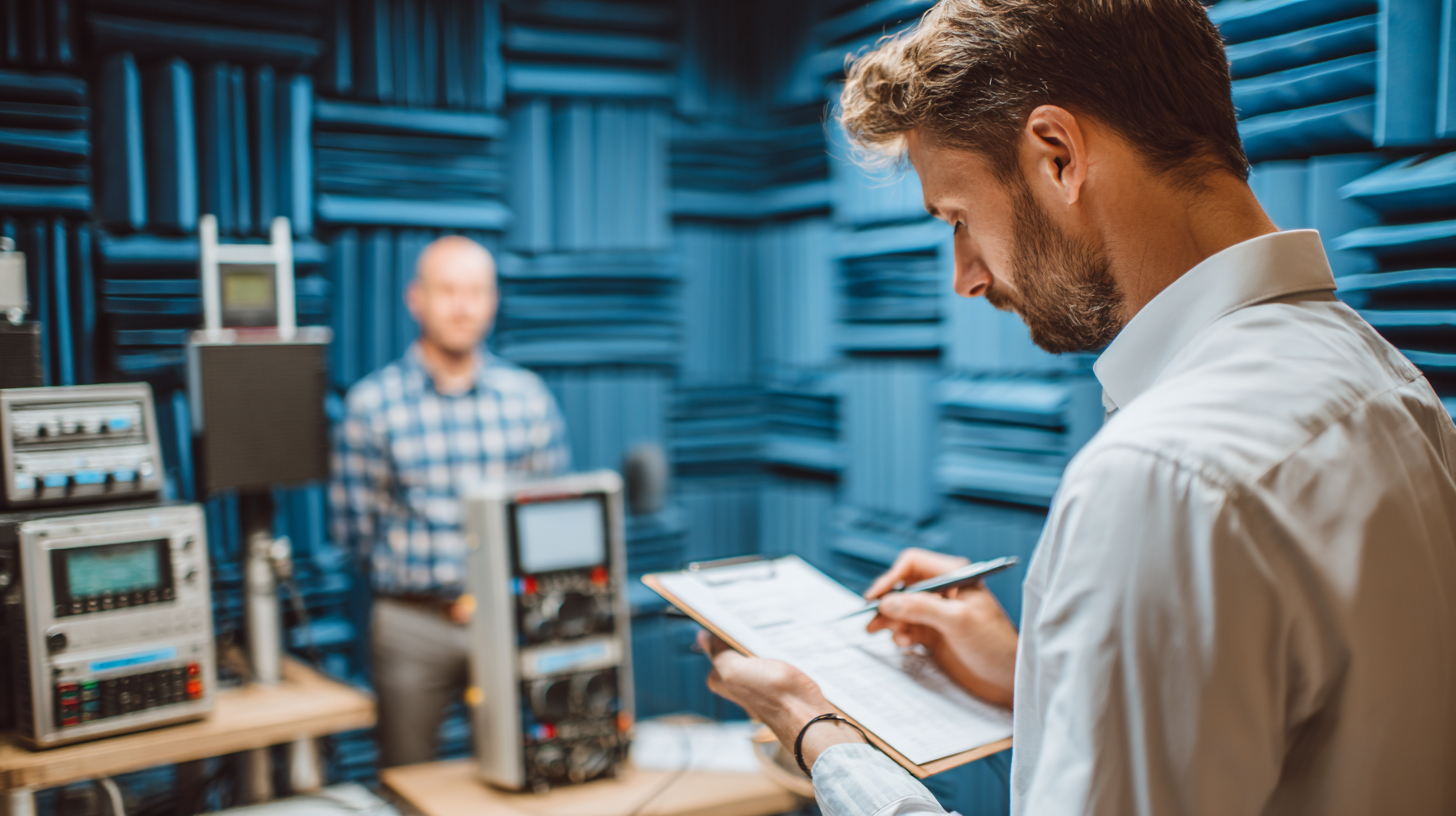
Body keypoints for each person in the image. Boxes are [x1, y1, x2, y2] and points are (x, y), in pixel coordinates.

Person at [699, 2, 1456, 814]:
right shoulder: (1393, 386)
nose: (967, 277)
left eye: (959, 219)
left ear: (1057, 156)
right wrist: (1033, 677)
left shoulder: (1160, 474)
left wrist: (820, 735)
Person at [331, 235, 570, 768]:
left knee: (527, 768)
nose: (463, 306)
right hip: (412, 623)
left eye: (476, 291)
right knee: (407, 775)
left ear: (493, 299)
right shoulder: (372, 405)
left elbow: (550, 519)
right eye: (447, 290)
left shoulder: (527, 399)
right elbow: (354, 530)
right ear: (416, 298)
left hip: (511, 618)